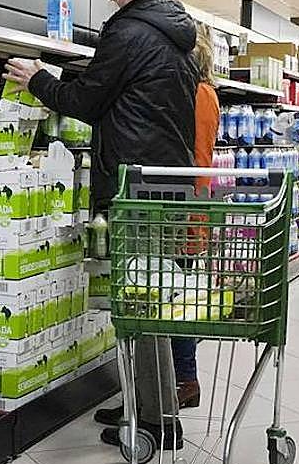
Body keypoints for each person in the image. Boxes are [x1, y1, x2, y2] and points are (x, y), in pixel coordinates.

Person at [5, 0, 201, 445]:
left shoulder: (128, 30)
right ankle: (145, 407)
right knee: (152, 296)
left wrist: (38, 79)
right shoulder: (176, 36)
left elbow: (87, 103)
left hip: (134, 186)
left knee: (142, 302)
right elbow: (119, 93)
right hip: (166, 181)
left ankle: (157, 422)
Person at [89, 22, 221, 428]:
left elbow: (183, 158)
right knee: (169, 299)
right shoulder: (204, 93)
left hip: (175, 210)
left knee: (165, 303)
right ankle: (154, 394)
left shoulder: (192, 94)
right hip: (184, 206)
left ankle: (168, 393)